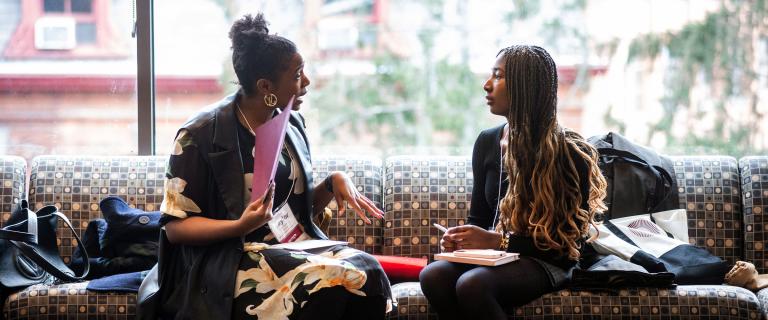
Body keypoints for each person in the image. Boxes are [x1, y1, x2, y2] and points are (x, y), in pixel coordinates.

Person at [144, 13, 392, 320]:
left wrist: (330, 184)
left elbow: (294, 210)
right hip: (229, 260)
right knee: (329, 280)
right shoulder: (199, 134)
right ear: (265, 86)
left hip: (292, 247)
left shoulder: (291, 124)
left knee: (368, 271)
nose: (307, 82)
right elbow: (176, 229)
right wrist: (240, 227)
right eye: (298, 74)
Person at [419, 45, 607, 319]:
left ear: (524, 86)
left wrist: (499, 242)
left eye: (498, 76)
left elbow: (568, 246)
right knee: (433, 275)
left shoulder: (568, 151)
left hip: (547, 261)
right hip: (497, 256)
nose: (486, 85)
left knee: (473, 285)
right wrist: (462, 241)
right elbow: (480, 218)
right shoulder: (487, 141)